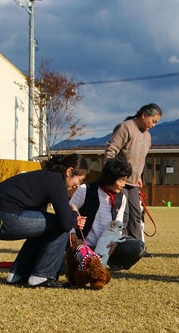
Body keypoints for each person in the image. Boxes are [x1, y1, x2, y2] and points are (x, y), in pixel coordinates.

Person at [0, 154, 88, 288]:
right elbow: (65, 223)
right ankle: (43, 276)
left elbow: (42, 218)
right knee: (60, 225)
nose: (78, 185)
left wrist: (70, 218)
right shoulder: (56, 181)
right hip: (4, 215)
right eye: (80, 180)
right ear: (69, 171)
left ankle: (18, 274)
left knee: (46, 227)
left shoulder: (44, 178)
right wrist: (73, 215)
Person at [69, 157, 145, 270]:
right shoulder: (86, 189)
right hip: (84, 244)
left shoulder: (121, 197)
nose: (124, 184)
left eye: (125, 180)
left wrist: (115, 240)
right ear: (110, 178)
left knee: (137, 247)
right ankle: (81, 261)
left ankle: (114, 264)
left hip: (108, 246)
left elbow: (118, 224)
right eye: (121, 180)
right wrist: (76, 218)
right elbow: (70, 207)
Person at [104, 103, 162, 248]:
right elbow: (110, 152)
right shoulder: (125, 128)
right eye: (153, 121)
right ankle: (119, 248)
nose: (154, 125)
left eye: (156, 122)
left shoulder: (147, 136)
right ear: (143, 115)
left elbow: (139, 160)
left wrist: (139, 176)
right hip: (119, 181)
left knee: (136, 215)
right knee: (123, 216)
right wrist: (112, 177)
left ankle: (137, 248)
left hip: (134, 183)